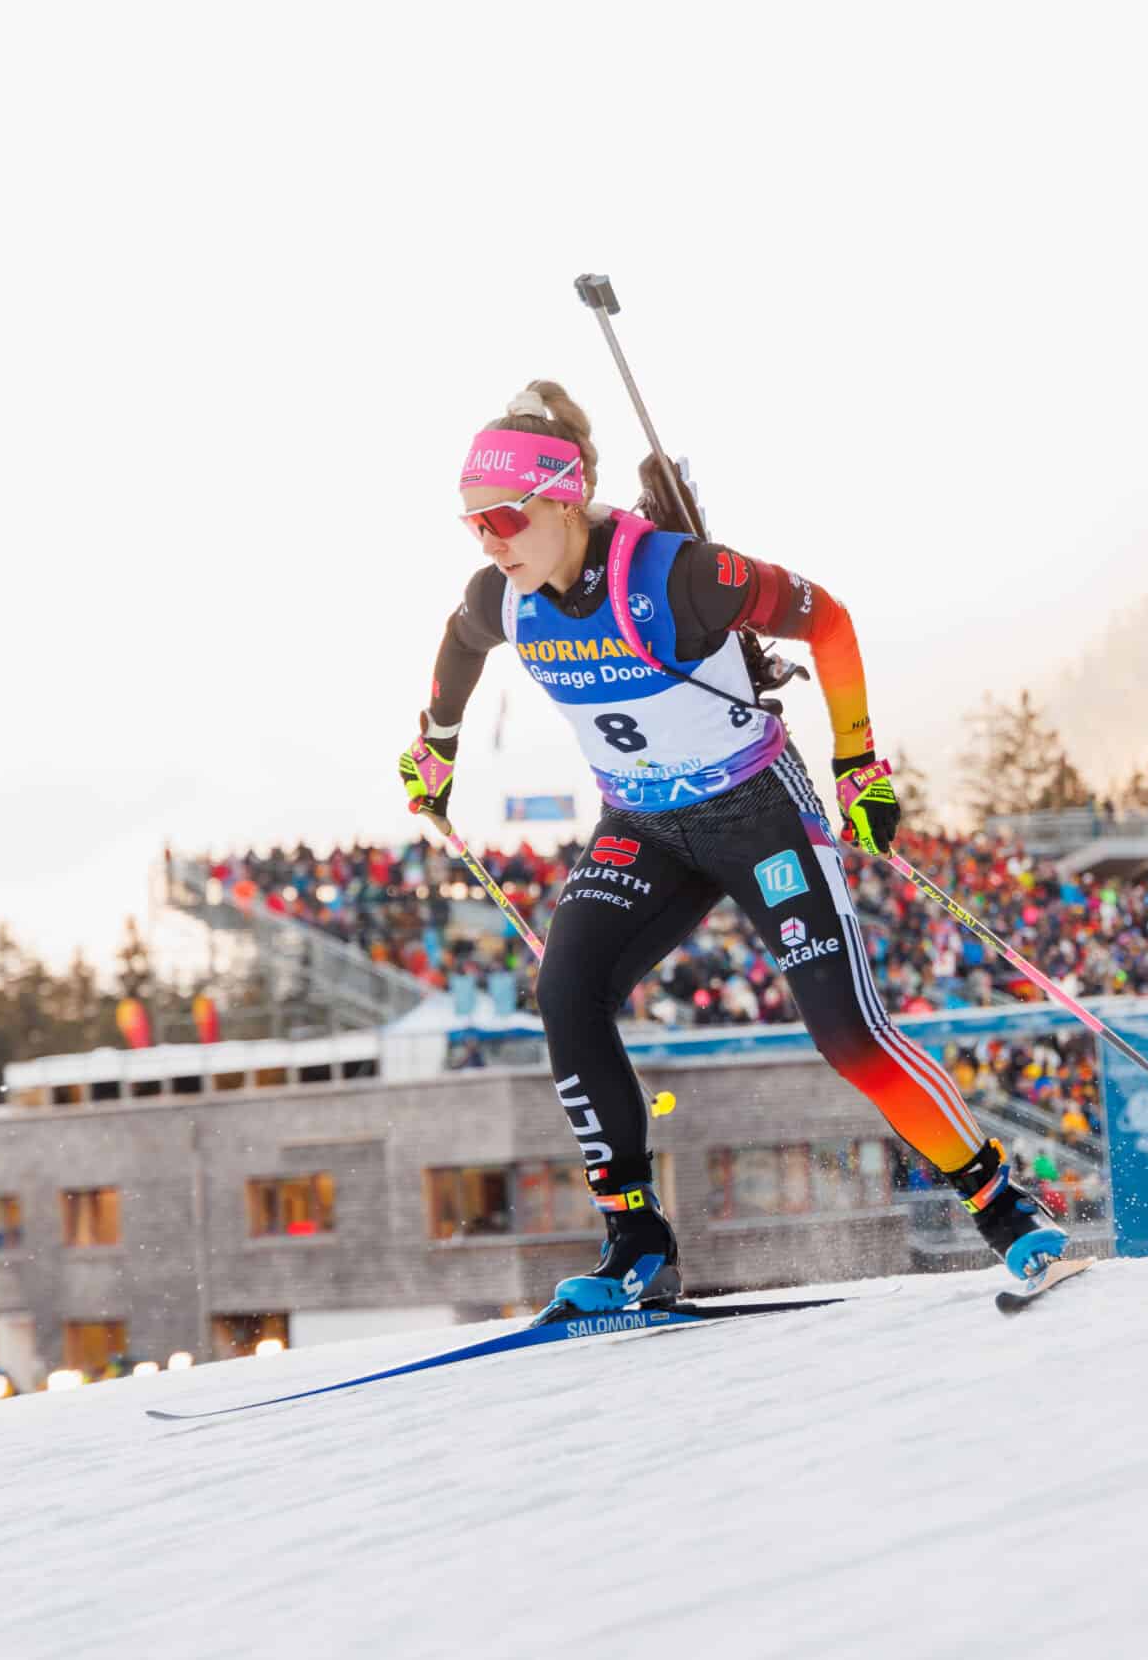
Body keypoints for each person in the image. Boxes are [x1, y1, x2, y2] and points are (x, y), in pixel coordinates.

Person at [399, 382, 1064, 1315]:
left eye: (504, 517)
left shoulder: (677, 576)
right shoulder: (503, 598)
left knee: (848, 1034)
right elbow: (460, 642)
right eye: (473, 523)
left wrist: (859, 763)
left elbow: (826, 617)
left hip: (756, 811)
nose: (488, 540)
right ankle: (637, 1246)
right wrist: (436, 743)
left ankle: (1007, 1210)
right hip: (643, 825)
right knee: (566, 994)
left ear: (563, 497)